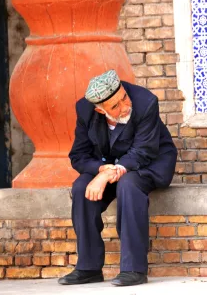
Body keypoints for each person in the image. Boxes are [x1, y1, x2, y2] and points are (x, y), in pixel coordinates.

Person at [58, 70, 177, 286]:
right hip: (109, 165)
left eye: (124, 97)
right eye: (115, 106)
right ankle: (89, 267)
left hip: (150, 162)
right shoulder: (85, 111)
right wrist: (102, 170)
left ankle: (134, 269)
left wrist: (110, 173)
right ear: (99, 110)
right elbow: (79, 155)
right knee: (80, 188)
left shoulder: (145, 102)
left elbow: (144, 151)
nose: (125, 106)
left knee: (129, 185)